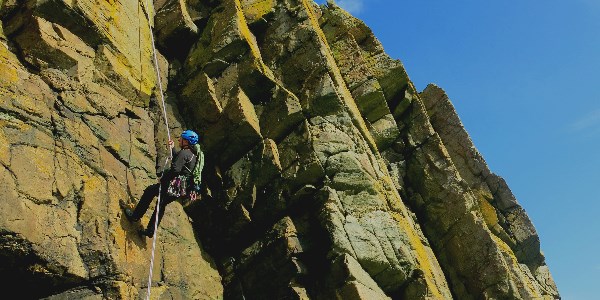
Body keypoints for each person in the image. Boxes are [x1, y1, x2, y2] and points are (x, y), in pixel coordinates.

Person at [124, 130, 200, 238]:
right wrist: (173, 148)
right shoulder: (192, 156)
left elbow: (175, 169)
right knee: (161, 204)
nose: (179, 139)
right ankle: (150, 230)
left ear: (186, 141)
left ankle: (135, 216)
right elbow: (179, 162)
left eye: (181, 138)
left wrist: (163, 178)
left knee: (150, 191)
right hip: (179, 189)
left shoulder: (184, 153)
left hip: (171, 186)